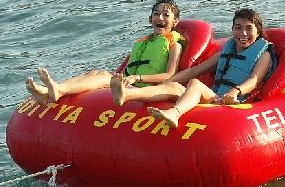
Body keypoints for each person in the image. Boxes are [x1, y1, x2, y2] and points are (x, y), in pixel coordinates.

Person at [110, 8, 275, 128]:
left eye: (249, 29)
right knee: (175, 86)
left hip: (235, 102)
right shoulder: (227, 50)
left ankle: (174, 113)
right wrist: (166, 82)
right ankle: (128, 94)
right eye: (238, 28)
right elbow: (195, 70)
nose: (243, 34)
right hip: (215, 97)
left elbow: (254, 80)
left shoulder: (263, 54)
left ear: (258, 32)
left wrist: (235, 92)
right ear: (232, 30)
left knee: (195, 84)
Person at [25, 0, 185, 104]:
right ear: (150, 19)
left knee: (103, 77)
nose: (160, 18)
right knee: (95, 72)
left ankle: (59, 90)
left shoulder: (174, 45)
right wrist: (122, 78)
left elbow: (169, 75)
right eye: (156, 14)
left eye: (166, 15)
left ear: (175, 21)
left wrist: (138, 77)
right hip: (130, 83)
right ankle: (50, 90)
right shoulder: (145, 42)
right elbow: (128, 68)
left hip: (145, 88)